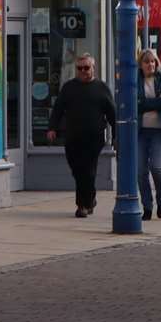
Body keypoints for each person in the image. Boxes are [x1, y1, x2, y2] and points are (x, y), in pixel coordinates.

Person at [47, 54, 116, 218]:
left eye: (87, 68)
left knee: (88, 170)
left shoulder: (102, 88)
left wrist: (116, 136)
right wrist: (52, 128)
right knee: (77, 170)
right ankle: (90, 198)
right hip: (73, 137)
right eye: (80, 68)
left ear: (93, 68)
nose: (83, 71)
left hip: (94, 138)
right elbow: (58, 109)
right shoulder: (69, 87)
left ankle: (82, 205)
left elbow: (112, 113)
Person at [136, 49, 161, 221]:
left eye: (153, 61)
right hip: (141, 131)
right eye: (147, 62)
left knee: (157, 167)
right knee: (140, 170)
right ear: (141, 64)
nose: (150, 64)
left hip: (159, 131)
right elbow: (136, 104)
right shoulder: (136, 79)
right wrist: (155, 102)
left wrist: (145, 104)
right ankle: (147, 206)